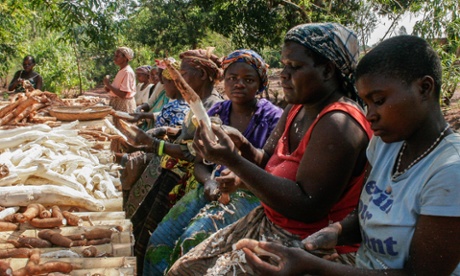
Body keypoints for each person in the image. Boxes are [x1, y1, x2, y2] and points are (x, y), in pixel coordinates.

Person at [241, 35, 460, 276]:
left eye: (378, 101)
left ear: (424, 88)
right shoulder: (385, 145)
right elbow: (366, 215)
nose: (370, 115)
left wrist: (317, 267)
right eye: (366, 103)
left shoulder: (449, 171)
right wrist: (335, 232)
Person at [168, 22, 373, 275]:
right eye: (284, 64)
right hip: (271, 223)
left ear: (328, 71)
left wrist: (232, 160)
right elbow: (265, 159)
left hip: (311, 246)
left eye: (294, 67)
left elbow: (308, 207)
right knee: (184, 268)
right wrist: (241, 144)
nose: (284, 74)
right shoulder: (297, 107)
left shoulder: (339, 124)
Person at [143, 49, 283, 275]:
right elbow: (200, 163)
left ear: (260, 84)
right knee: (159, 240)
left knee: (191, 242)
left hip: (250, 193)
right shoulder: (217, 111)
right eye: (232, 78)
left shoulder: (272, 117)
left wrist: (237, 176)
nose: (239, 84)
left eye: (248, 80)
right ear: (224, 81)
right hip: (213, 186)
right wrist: (208, 181)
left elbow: (272, 168)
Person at [120, 48, 224, 274]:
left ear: (203, 75)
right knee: (141, 228)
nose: (179, 81)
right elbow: (188, 135)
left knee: (156, 239)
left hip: (184, 182)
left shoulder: (214, 106)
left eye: (183, 74)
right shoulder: (197, 102)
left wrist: (152, 143)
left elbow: (195, 152)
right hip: (170, 170)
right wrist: (168, 131)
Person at [115, 59, 190, 209]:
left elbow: (172, 141)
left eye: (165, 83)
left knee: (128, 165)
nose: (163, 87)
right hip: (156, 150)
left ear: (175, 84)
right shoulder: (174, 103)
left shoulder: (180, 108)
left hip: (161, 158)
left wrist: (139, 148)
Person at [103, 46, 136, 119]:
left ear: (125, 58)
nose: (115, 58)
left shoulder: (127, 72)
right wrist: (109, 88)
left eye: (117, 56)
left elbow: (123, 94)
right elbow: (119, 89)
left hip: (123, 105)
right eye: (115, 56)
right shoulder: (122, 70)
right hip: (117, 103)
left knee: (123, 127)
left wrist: (108, 84)